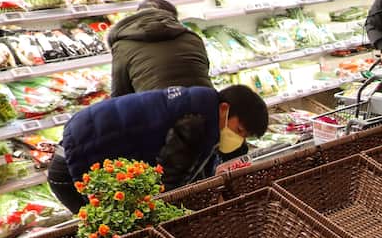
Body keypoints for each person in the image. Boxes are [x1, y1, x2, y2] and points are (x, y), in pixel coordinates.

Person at [48, 84, 268, 213]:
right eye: (239, 130)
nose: (238, 138)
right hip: (73, 159)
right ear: (224, 108)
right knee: (107, 227)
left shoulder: (201, 107)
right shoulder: (195, 123)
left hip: (79, 139)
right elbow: (170, 182)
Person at [107, 0, 211, 97]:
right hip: (204, 102)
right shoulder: (192, 38)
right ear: (173, 17)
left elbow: (120, 94)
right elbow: (203, 71)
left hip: (157, 109)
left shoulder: (123, 46)